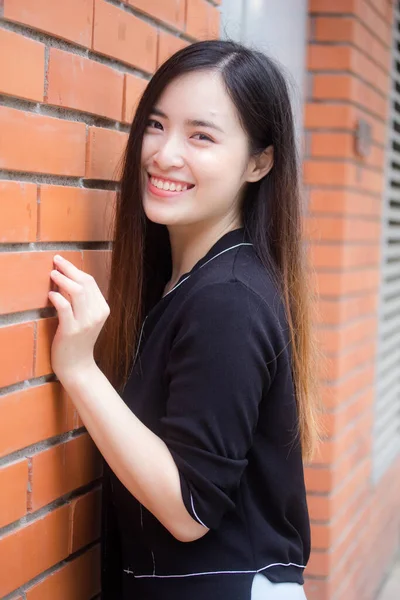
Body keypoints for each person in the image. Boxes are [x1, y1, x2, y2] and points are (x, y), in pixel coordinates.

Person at [48, 40, 321, 600]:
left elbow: (189, 510)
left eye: (201, 135)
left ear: (259, 162)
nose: (165, 154)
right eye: (156, 124)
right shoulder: (195, 282)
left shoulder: (230, 299)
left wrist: (79, 369)